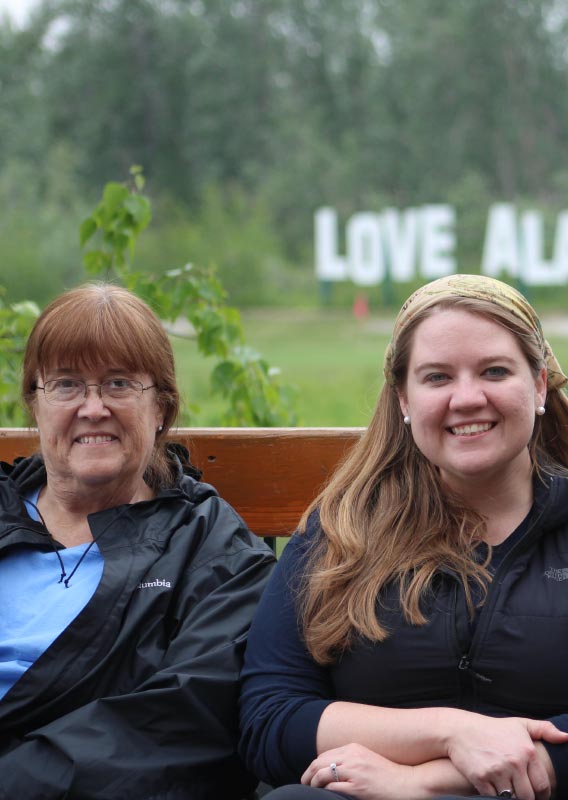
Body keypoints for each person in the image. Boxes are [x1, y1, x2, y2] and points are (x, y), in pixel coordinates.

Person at [239, 274, 568, 800]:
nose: (467, 398)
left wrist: (419, 783)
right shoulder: (344, 530)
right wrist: (453, 731)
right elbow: (270, 718)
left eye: (495, 371)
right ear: (403, 399)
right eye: (437, 377)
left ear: (537, 385)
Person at [0, 282, 274, 799]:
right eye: (66, 385)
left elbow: (181, 718)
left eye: (119, 384)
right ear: (35, 404)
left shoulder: (212, 551)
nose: (93, 407)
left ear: (162, 409)